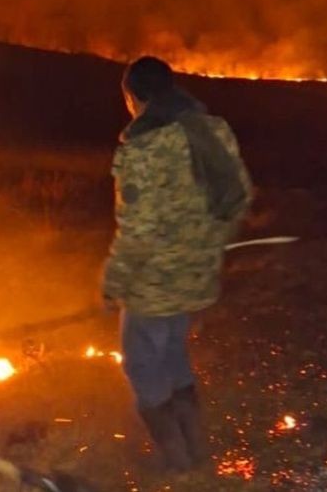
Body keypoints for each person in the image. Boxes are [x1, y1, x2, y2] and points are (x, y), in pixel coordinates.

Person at [102, 57, 252, 471]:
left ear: (136, 96)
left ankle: (176, 459)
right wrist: (208, 246)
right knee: (171, 352)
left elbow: (137, 228)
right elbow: (236, 195)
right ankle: (197, 451)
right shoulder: (211, 129)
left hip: (155, 279)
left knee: (141, 362)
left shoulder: (144, 147)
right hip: (197, 272)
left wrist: (114, 282)